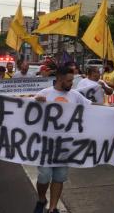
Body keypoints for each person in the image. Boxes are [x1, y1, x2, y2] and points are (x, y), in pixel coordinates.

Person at [33, 66, 92, 213]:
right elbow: (28, 112)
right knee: (44, 176)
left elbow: (92, 107)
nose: (72, 83)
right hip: (45, 145)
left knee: (59, 177)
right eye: (69, 80)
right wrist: (35, 102)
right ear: (59, 79)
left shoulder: (75, 95)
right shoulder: (44, 93)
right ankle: (41, 198)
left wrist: (113, 108)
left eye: (72, 80)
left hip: (65, 146)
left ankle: (52, 208)